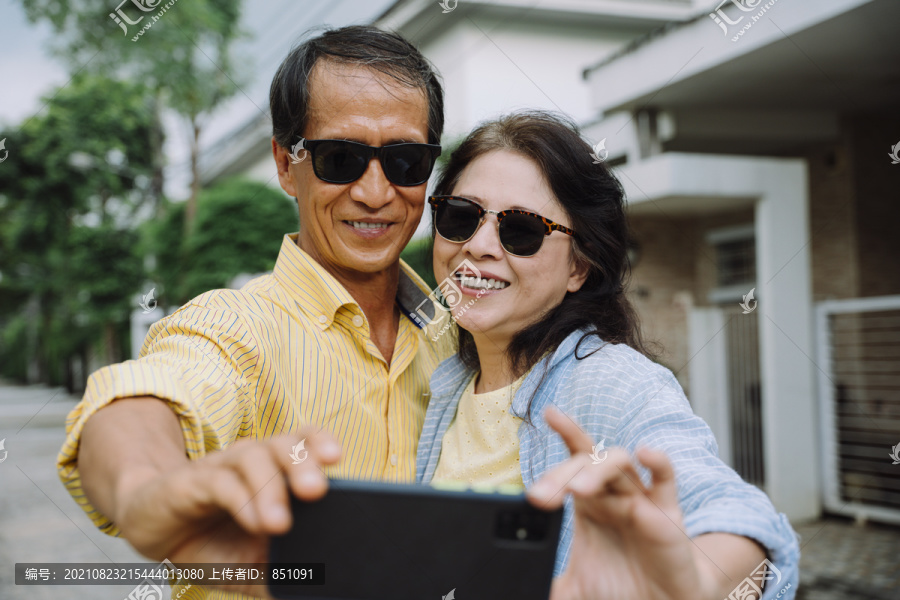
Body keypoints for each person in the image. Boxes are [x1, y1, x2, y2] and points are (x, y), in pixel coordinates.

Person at [56, 25, 452, 599]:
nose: (375, 191)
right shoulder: (234, 325)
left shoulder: (459, 339)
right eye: (339, 158)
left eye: (405, 161)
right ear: (286, 164)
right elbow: (146, 396)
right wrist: (147, 488)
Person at [416, 111, 800, 600]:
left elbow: (725, 508)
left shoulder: (611, 382)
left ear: (579, 267)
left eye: (522, 230)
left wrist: (693, 584)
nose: (479, 245)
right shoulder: (444, 380)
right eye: (460, 216)